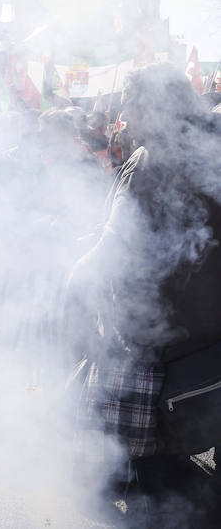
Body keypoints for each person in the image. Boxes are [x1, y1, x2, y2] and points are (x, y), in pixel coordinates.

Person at [69, 63, 221, 493]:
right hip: (206, 335)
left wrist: (79, 275)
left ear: (156, 105)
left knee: (150, 468)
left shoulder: (147, 158)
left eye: (133, 105)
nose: (126, 118)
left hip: (160, 335)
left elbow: (119, 245)